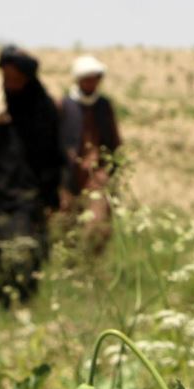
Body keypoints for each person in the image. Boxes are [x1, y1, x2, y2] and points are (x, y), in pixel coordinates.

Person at [0, 46, 64, 305]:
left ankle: (25, 304)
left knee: (26, 252)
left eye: (15, 77)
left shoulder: (43, 108)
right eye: (6, 77)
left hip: (29, 195)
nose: (10, 83)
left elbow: (54, 155)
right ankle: (3, 303)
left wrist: (51, 195)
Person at [57, 55, 122, 252]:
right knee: (66, 227)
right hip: (69, 177)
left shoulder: (103, 106)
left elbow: (114, 141)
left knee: (97, 228)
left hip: (97, 178)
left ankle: (91, 270)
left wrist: (110, 169)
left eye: (95, 78)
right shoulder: (65, 106)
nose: (92, 83)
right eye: (88, 78)